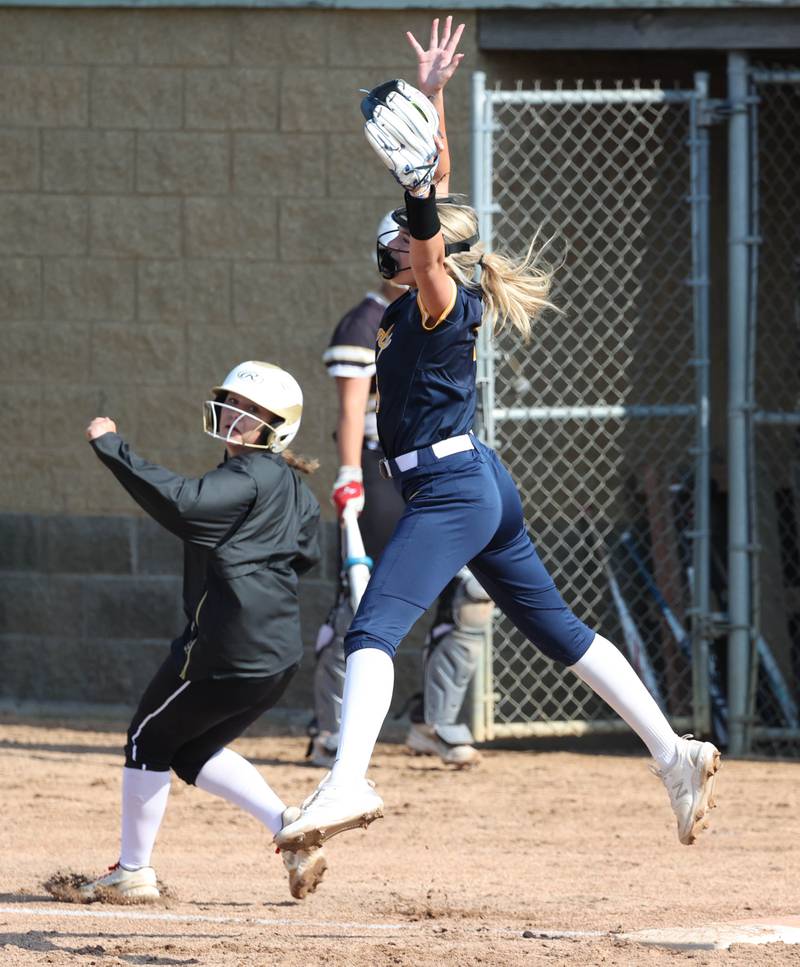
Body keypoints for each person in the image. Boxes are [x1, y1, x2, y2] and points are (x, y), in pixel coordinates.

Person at [276, 18, 721, 856]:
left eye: (409, 236)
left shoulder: (439, 303)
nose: (399, 240)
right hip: (479, 481)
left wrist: (418, 197)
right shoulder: (428, 296)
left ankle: (349, 778)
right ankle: (675, 753)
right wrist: (437, 100)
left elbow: (430, 232)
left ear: (423, 252)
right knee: (558, 631)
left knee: (373, 628)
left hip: (451, 487)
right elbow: (438, 201)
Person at [80, 361, 328, 902]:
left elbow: (183, 505)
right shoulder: (287, 482)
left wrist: (111, 446)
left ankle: (133, 872)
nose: (236, 416)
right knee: (188, 751)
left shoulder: (245, 476)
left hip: (227, 649)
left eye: (252, 412)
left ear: (276, 427)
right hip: (276, 655)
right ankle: (290, 828)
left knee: (147, 737)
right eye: (233, 403)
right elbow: (307, 552)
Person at [311, 211, 492, 770]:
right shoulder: (368, 320)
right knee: (365, 600)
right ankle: (333, 730)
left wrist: (435, 139)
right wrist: (347, 475)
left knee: (472, 597)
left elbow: (436, 207)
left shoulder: (443, 303)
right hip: (382, 466)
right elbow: (349, 412)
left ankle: (435, 721)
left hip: (449, 466)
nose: (399, 248)